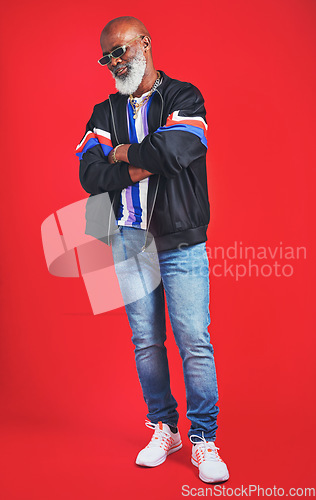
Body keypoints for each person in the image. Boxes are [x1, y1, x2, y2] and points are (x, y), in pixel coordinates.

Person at [76, 16, 229, 483]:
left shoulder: (184, 97)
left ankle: (204, 438)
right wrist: (135, 163)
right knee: (146, 343)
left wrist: (121, 154)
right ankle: (165, 426)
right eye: (106, 57)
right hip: (129, 239)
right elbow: (89, 176)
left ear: (144, 42)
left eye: (119, 51)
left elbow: (176, 152)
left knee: (194, 343)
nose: (113, 62)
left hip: (181, 238)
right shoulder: (103, 112)